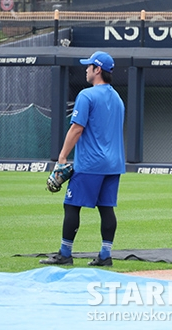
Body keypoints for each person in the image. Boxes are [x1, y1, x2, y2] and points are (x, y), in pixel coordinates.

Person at [40, 51, 126, 267]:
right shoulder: (117, 98)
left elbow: (76, 129)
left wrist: (61, 158)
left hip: (90, 163)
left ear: (98, 70)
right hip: (114, 163)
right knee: (106, 208)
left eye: (89, 66)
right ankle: (106, 256)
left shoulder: (87, 95)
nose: (86, 69)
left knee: (71, 205)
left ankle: (65, 253)